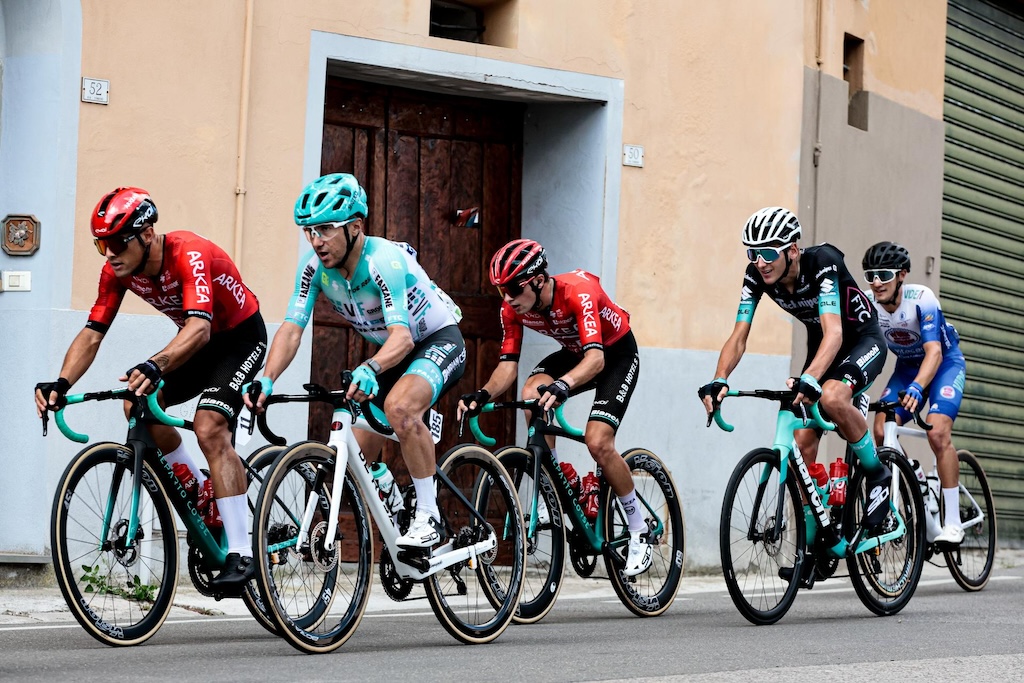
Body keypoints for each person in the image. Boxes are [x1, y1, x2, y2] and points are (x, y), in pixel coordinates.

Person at [35, 187, 267, 592]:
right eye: (100, 244)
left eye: (116, 242)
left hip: (239, 339)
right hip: (199, 342)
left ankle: (242, 552)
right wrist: (61, 383)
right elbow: (93, 333)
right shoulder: (118, 270)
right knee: (135, 404)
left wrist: (155, 363)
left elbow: (199, 327)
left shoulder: (188, 252)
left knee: (210, 426)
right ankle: (199, 487)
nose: (108, 253)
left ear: (147, 234)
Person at [245, 173, 465, 550]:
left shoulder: (384, 261)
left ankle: (429, 516)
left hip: (434, 339)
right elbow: (292, 328)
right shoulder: (314, 268)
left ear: (355, 227)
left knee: (400, 407)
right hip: (391, 354)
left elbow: (403, 337)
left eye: (326, 229)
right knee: (357, 458)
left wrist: (370, 368)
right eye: (309, 231)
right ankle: (397, 504)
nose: (316, 241)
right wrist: (266, 378)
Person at [698, 207, 891, 581]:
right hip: (821, 348)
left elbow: (835, 332)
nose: (759, 262)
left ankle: (877, 472)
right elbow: (739, 335)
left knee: (833, 399)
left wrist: (812, 379)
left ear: (793, 250)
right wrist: (719, 377)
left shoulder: (824, 262)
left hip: (860, 340)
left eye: (767, 253)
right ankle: (818, 543)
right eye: (751, 253)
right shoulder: (757, 276)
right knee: (801, 445)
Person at [456, 239, 652, 577]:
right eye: (502, 290)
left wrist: (563, 384)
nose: (508, 298)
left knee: (598, 442)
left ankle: (639, 526)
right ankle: (553, 482)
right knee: (532, 393)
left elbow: (596, 359)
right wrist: (483, 394)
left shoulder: (578, 292)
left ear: (538, 279)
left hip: (613, 353)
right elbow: (508, 367)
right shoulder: (512, 309)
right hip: (577, 352)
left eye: (514, 288)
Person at [863, 241, 967, 545]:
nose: (877, 282)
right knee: (882, 430)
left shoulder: (922, 299)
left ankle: (953, 523)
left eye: (884, 274)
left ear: (902, 275)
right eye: (870, 275)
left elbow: (934, 352)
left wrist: (918, 388)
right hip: (907, 368)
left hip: (944, 364)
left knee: (936, 432)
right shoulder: (868, 306)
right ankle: (916, 480)